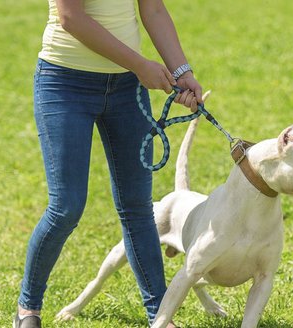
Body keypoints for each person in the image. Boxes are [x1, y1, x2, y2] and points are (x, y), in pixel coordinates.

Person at [14, 0, 202, 327]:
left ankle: (160, 316)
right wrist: (140, 64)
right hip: (64, 84)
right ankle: (27, 308)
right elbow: (71, 18)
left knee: (137, 207)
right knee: (66, 207)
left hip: (126, 90)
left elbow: (153, 9)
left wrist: (181, 70)